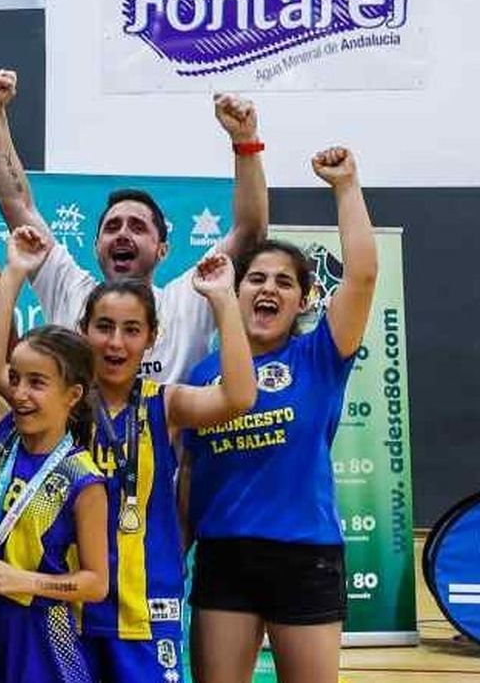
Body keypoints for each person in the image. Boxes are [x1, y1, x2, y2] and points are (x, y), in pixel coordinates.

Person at [0, 227, 257, 682]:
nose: (115, 343)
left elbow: (238, 397)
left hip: (145, 606)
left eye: (132, 330)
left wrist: (224, 301)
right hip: (66, 607)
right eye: (104, 327)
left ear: (152, 338)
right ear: (82, 330)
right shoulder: (61, 404)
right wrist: (14, 274)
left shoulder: (164, 404)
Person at [185, 147, 377, 683]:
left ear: (303, 301)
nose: (268, 288)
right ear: (236, 290)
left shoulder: (319, 356)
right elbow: (189, 476)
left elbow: (360, 278)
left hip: (304, 556)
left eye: (284, 282)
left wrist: (346, 186)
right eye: (257, 279)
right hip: (225, 554)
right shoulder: (202, 374)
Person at [0, 70, 270, 382]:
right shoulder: (70, 289)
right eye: (112, 226)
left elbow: (249, 232)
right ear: (95, 247)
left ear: (163, 250)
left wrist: (245, 142)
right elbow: (18, 205)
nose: (122, 234)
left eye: (138, 227)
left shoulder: (188, 299)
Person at [0, 321, 108, 683]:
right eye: (15, 378)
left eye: (37, 383)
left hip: (39, 630)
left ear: (72, 395)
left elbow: (95, 584)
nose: (20, 393)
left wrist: (25, 581)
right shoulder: (0, 427)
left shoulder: (83, 480)